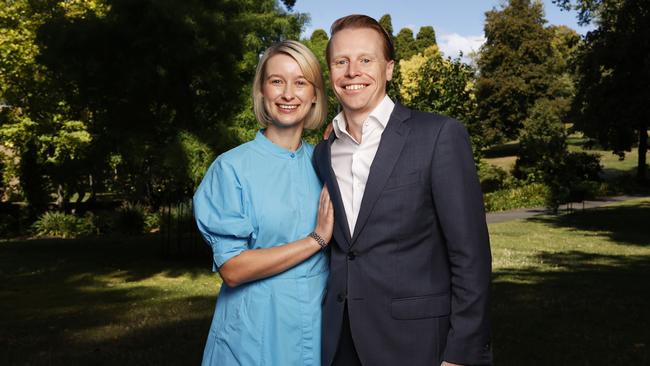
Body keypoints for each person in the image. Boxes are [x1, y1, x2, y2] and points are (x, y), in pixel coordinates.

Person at [313, 15, 493, 366]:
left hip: (419, 343)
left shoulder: (438, 135)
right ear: (331, 72)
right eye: (341, 61)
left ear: (390, 69)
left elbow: (471, 256)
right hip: (340, 343)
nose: (353, 71)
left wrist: (462, 353)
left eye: (366, 60)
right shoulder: (324, 151)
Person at [193, 40, 333, 366]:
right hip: (253, 333)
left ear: (314, 95)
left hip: (316, 327)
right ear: (262, 92)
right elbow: (232, 269)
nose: (288, 94)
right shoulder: (231, 168)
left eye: (300, 82)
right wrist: (316, 239)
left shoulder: (326, 163)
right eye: (276, 81)